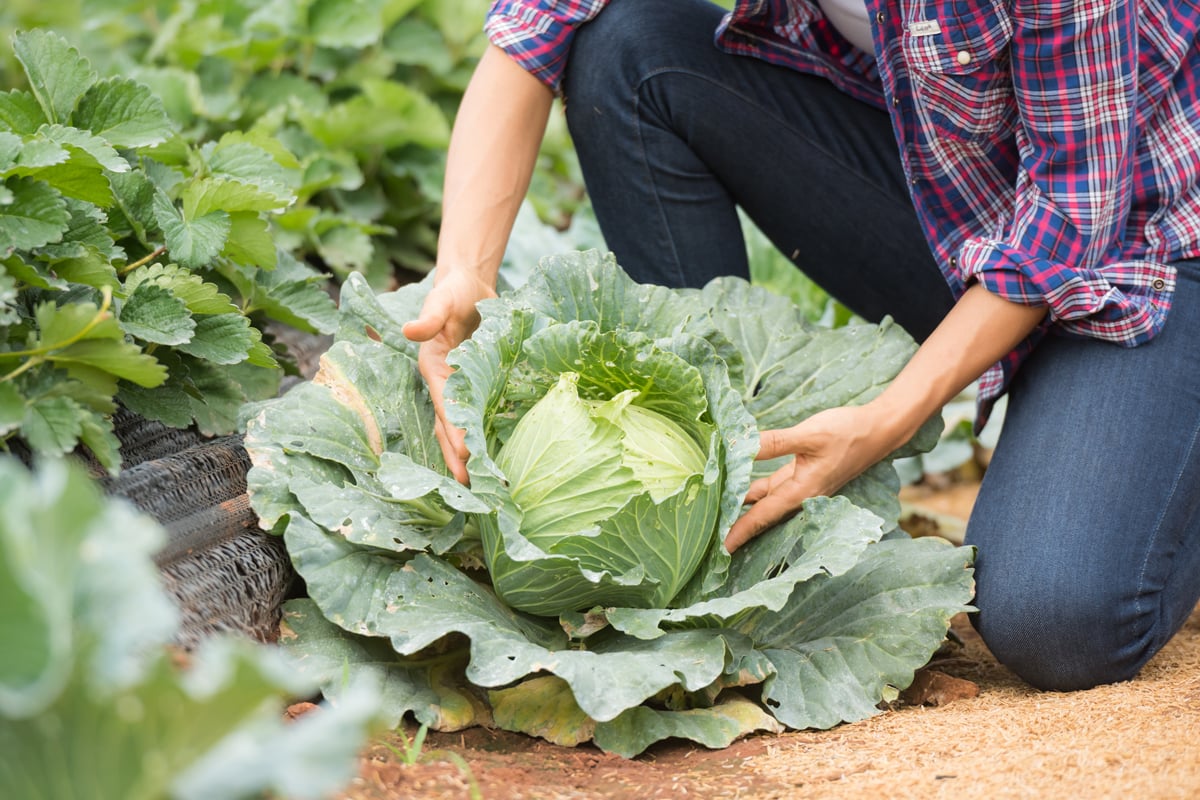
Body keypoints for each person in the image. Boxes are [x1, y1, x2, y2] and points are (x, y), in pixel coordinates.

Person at [402, 0, 1200, 693]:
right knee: (628, 46)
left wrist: (883, 420)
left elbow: (1069, 213)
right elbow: (538, 25)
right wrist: (461, 273)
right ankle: (716, 507)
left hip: (1148, 245)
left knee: (1056, 622)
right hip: (960, 205)